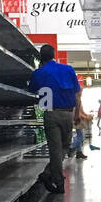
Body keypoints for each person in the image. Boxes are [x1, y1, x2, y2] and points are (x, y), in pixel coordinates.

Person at [28, 44, 80, 193]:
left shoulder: (39, 72)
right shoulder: (68, 69)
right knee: (64, 146)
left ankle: (51, 176)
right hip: (68, 113)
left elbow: (32, 89)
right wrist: (77, 113)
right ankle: (55, 178)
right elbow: (77, 93)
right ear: (54, 55)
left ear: (40, 58)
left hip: (50, 113)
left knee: (55, 149)